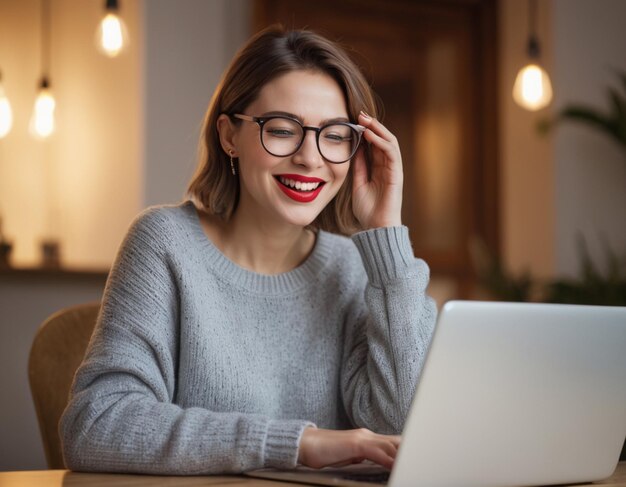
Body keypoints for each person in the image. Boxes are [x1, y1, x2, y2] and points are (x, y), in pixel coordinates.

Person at [60, 26, 437, 475]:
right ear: (229, 136)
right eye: (281, 129)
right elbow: (96, 425)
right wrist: (295, 444)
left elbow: (404, 434)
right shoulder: (165, 244)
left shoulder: (355, 273)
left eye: (335, 136)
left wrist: (386, 237)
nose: (310, 158)